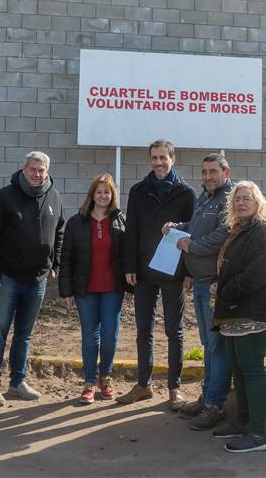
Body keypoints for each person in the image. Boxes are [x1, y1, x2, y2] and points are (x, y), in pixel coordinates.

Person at [0, 151, 64, 407]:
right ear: (23, 169)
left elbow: (59, 231)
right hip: (7, 279)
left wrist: (54, 264)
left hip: (37, 280)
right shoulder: (4, 197)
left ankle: (17, 382)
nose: (37, 174)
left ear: (47, 171)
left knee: (24, 334)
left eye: (42, 170)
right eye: (33, 169)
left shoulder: (54, 196)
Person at [116, 140, 196, 408]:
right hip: (144, 271)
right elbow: (132, 232)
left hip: (174, 272)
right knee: (143, 331)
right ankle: (144, 385)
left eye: (163, 158)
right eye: (154, 158)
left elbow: (192, 235)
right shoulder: (138, 191)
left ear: (173, 159)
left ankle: (175, 388)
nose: (159, 163)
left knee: (175, 331)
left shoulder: (186, 193)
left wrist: (190, 272)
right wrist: (129, 267)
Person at [161, 153, 234, 430]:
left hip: (216, 284)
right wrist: (177, 228)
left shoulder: (230, 199)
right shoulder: (205, 198)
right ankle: (207, 397)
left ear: (226, 172)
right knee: (207, 344)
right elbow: (194, 227)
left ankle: (215, 404)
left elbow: (222, 236)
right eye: (204, 172)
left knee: (217, 347)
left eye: (213, 171)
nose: (207, 177)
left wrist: (191, 247)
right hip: (201, 282)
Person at [210, 181, 266, 453]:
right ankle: (242, 423)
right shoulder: (240, 230)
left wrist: (226, 290)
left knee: (251, 371)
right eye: (237, 199)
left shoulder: (263, 231)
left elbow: (260, 274)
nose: (241, 203)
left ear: (258, 203)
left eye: (247, 199)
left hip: (255, 313)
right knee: (238, 369)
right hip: (234, 311)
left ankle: (257, 435)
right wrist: (222, 285)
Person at [58, 173, 127, 404]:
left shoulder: (120, 221)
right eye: (99, 191)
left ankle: (105, 378)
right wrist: (66, 290)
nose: (103, 195)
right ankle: (89, 382)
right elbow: (66, 257)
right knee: (90, 337)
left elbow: (128, 256)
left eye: (107, 191)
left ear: (112, 195)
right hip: (85, 289)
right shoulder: (77, 222)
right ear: (92, 194)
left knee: (109, 335)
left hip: (112, 288)